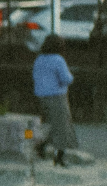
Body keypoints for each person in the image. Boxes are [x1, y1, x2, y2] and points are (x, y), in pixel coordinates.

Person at [33, 34, 79, 167]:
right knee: (61, 126)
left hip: (41, 96)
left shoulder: (39, 59)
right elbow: (66, 79)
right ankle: (59, 157)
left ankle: (41, 147)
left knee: (50, 125)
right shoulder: (58, 60)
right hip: (57, 96)